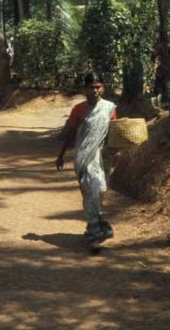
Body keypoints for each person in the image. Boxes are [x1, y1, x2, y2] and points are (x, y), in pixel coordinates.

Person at [56, 72, 117, 249]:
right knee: (92, 187)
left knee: (97, 191)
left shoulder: (109, 108)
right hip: (84, 156)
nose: (96, 90)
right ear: (85, 89)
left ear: (103, 87)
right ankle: (94, 231)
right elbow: (70, 133)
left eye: (99, 87)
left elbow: (114, 133)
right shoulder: (79, 110)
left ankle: (98, 222)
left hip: (102, 156)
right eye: (92, 87)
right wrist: (61, 155)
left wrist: (116, 153)